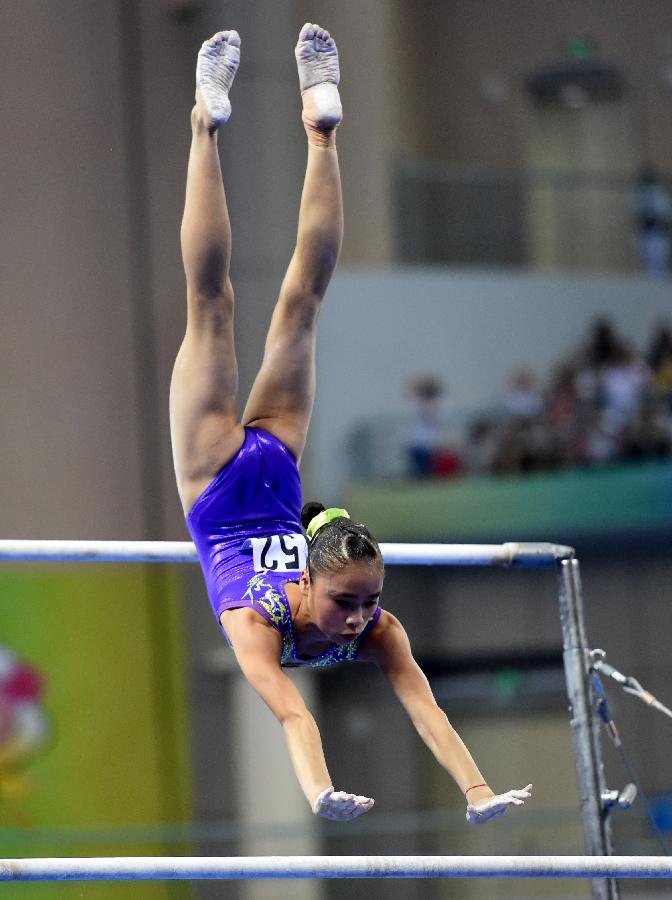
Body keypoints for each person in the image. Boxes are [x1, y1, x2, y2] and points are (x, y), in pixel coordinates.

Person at [170, 23, 532, 824]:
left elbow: (392, 706)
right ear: (309, 576)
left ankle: (234, 125)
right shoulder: (298, 613)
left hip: (210, 481)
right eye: (352, 603)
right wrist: (324, 791)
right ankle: (305, 128)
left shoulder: (254, 626)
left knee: (223, 307)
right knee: (270, 305)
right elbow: (307, 717)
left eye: (366, 602)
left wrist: (475, 794)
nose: (363, 617)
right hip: (270, 465)